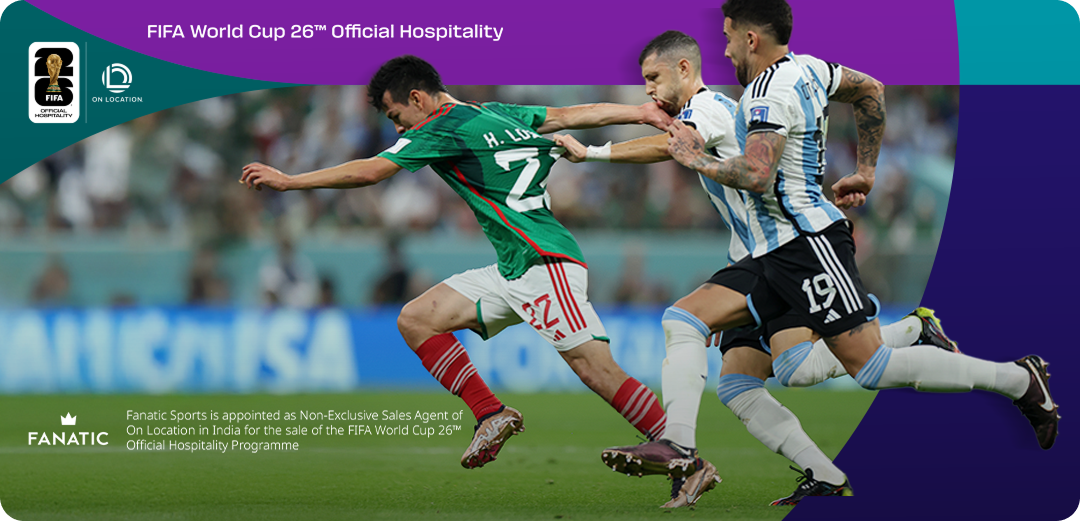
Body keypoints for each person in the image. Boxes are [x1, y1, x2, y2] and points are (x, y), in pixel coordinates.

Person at [631, 0, 1059, 505]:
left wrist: (695, 158)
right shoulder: (811, 68)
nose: (723, 49)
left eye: (728, 37)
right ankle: (813, 470)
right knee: (746, 372)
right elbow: (870, 91)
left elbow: (757, 174)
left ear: (751, 39)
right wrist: (867, 168)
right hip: (770, 255)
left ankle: (1016, 379)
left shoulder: (766, 92)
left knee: (871, 368)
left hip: (805, 244)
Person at [556, 30, 960, 508]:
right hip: (759, 254)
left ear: (684, 70)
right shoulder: (720, 108)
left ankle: (679, 446)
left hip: (776, 254)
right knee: (756, 379)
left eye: (653, 77)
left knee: (682, 320)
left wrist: (592, 152)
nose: (647, 88)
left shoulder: (704, 108)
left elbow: (668, 147)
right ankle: (832, 463)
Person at [240, 55, 679, 470]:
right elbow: (568, 115)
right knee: (417, 319)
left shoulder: (438, 129)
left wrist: (291, 180)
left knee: (596, 370)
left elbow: (372, 172)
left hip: (544, 259)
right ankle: (490, 413)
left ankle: (679, 449)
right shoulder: (490, 112)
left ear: (418, 99)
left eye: (396, 117)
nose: (397, 130)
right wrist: (639, 113)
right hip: (514, 266)